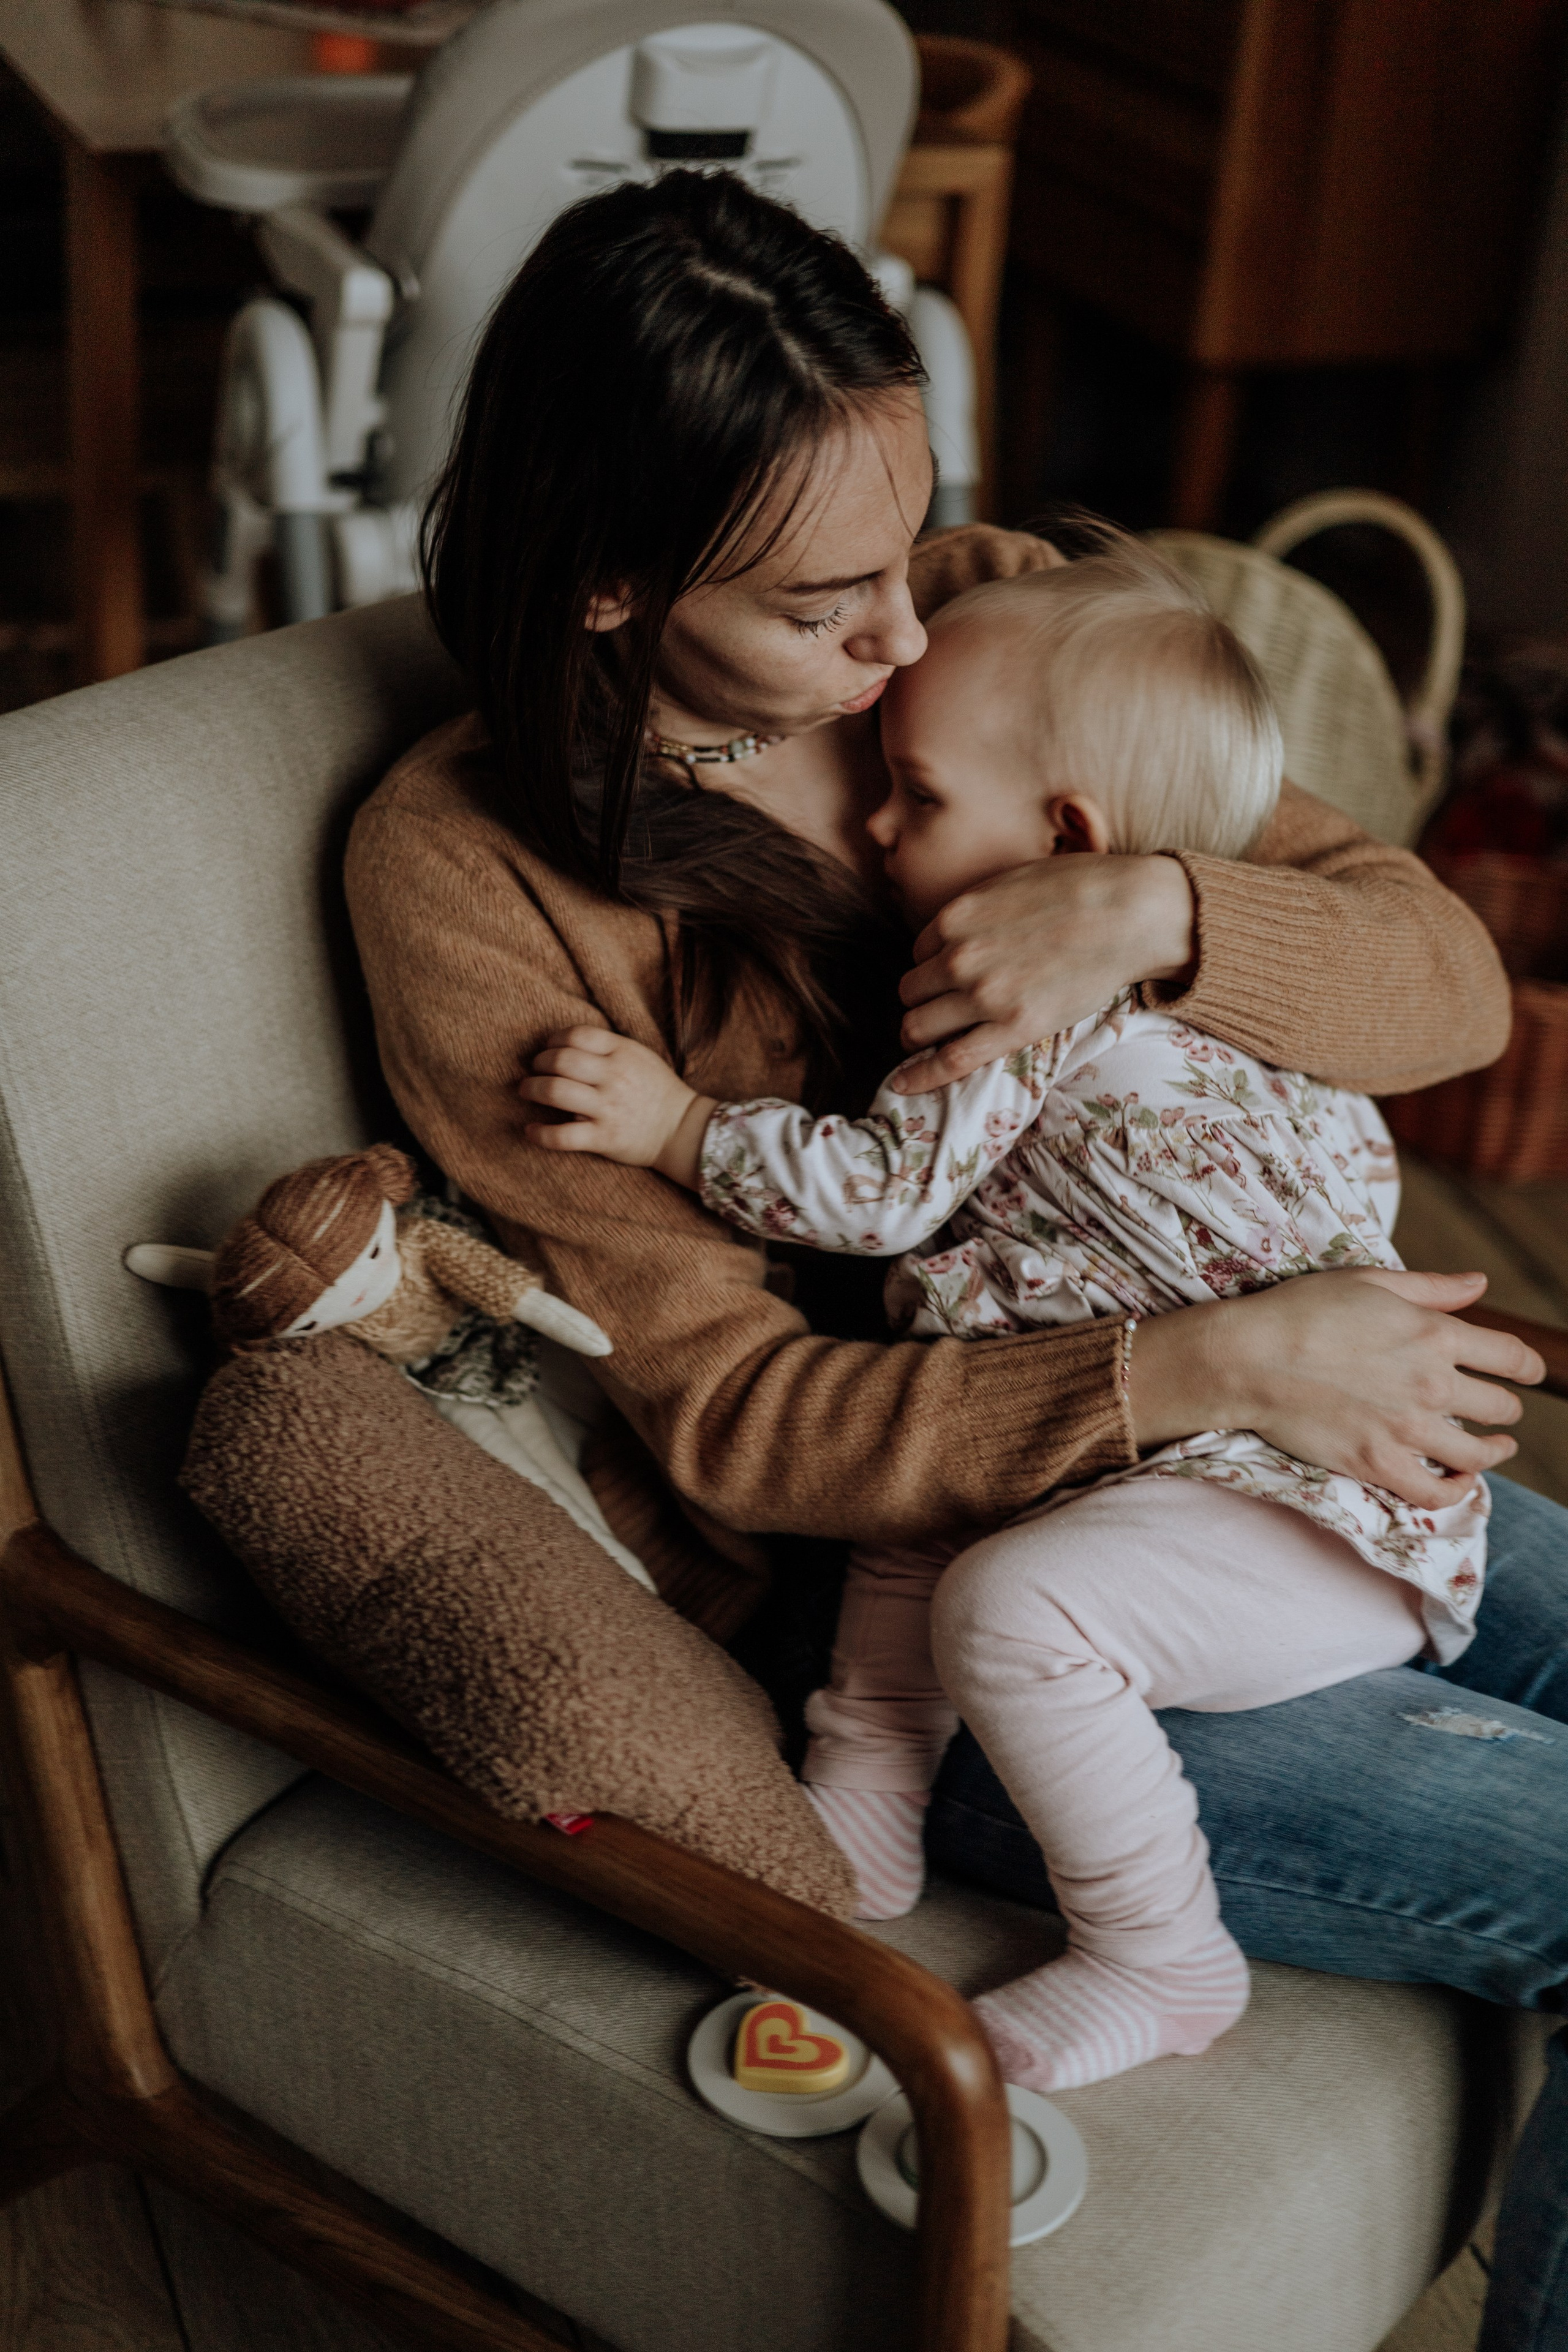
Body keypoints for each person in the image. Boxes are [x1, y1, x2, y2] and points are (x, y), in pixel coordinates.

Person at [344, 169, 1567, 2345]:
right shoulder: (474, 880)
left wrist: (1168, 913)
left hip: (1289, 1462)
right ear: (619, 584)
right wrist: (1216, 1366)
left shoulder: (1005, 624)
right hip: (968, 1622)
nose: (907, 641)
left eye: (913, 548)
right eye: (829, 604)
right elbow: (735, 1414)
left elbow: (1450, 987)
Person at [513, 530, 1488, 2094]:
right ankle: (871, 1791)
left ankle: (1158, 1952)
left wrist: (675, 1128)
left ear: (1067, 838)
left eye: (914, 798)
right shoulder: (1186, 982)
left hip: (1291, 1501)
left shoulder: (1017, 993)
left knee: (1007, 1608)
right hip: (1269, 1475)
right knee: (936, 1506)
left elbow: (873, 1196)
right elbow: (764, 1413)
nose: (878, 820)